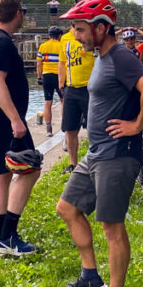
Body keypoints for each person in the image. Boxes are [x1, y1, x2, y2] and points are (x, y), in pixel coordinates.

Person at [55, 0, 143, 287]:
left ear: (101, 28)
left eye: (80, 29)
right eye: (74, 29)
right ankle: (91, 275)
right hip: (96, 152)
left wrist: (136, 125)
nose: (76, 35)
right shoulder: (101, 55)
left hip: (117, 155)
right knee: (67, 208)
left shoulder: (120, 56)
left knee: (112, 227)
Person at [0, 0, 41, 257]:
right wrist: (16, 120)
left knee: (2, 174)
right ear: (18, 14)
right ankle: (7, 235)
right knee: (30, 168)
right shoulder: (0, 42)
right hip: (3, 119)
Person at [58, 23, 94, 174]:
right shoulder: (65, 39)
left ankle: (95, 161)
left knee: (93, 128)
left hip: (89, 87)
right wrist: (61, 87)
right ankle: (73, 163)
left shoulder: (89, 35)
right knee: (70, 128)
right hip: (71, 88)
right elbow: (62, 63)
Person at [36, 25, 64, 137]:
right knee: (63, 100)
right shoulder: (62, 46)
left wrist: (39, 77)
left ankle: (48, 128)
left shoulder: (43, 46)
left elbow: (39, 64)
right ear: (59, 36)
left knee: (48, 102)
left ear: (49, 35)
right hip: (59, 76)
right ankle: (64, 126)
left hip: (46, 75)